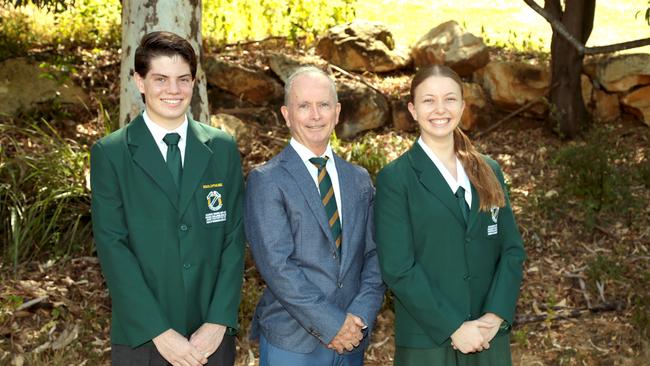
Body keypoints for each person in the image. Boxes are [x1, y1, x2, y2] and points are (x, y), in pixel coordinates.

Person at [90, 31, 244, 366]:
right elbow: (113, 248)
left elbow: (234, 239)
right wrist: (158, 330)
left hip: (211, 336)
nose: (173, 91)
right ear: (139, 81)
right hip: (143, 336)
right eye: (160, 79)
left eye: (182, 79)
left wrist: (219, 320)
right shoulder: (111, 154)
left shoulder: (222, 148)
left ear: (194, 82)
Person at [374, 65, 526, 366]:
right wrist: (453, 326)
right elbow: (398, 267)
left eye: (450, 99)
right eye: (428, 100)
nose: (440, 109)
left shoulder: (489, 170)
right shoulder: (396, 178)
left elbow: (511, 250)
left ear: (462, 106)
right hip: (429, 342)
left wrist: (496, 314)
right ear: (413, 110)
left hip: (487, 337)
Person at [244, 66, 385, 366]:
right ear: (286, 114)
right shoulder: (267, 180)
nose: (315, 115)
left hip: (352, 338)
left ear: (337, 112)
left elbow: (375, 256)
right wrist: (333, 324)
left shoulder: (358, 179)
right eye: (303, 106)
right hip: (293, 342)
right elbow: (278, 267)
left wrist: (359, 316)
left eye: (323, 105)